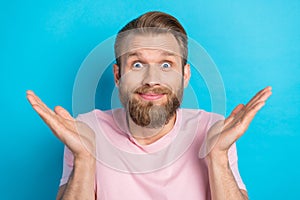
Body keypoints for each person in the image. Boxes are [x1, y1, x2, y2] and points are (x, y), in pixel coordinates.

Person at [26, 11, 272, 200]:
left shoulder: (213, 129)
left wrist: (218, 157)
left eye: (166, 65)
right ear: (117, 76)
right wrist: (84, 159)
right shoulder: (86, 130)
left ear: (185, 76)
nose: (152, 80)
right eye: (137, 65)